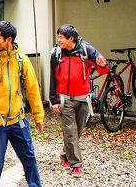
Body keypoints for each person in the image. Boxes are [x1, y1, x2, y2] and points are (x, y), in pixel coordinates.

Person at [0, 21, 44, 187]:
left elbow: (33, 89)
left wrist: (38, 116)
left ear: (8, 40)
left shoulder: (22, 60)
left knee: (29, 157)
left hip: (18, 120)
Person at [49, 24, 109, 177]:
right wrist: (53, 100)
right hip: (65, 100)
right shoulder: (56, 54)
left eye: (61, 38)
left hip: (83, 99)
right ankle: (76, 165)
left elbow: (103, 67)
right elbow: (53, 79)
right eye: (58, 38)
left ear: (71, 38)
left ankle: (65, 154)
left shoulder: (86, 50)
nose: (59, 41)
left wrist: (102, 65)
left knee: (77, 132)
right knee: (70, 132)